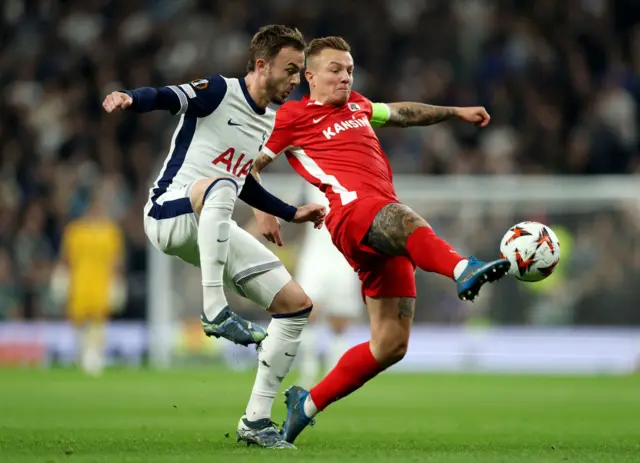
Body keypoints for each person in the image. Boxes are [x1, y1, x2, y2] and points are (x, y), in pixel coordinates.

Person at [251, 36, 511, 444]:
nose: (345, 77)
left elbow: (405, 113)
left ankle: (306, 403)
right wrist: (263, 210)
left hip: (381, 227)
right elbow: (250, 164)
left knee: (390, 344)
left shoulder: (358, 106)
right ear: (310, 76)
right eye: (335, 70)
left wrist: (455, 112)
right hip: (351, 216)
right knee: (399, 214)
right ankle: (464, 268)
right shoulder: (291, 117)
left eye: (350, 70)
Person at [102, 25, 324, 449]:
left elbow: (244, 182)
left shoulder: (269, 119)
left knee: (296, 306)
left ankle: (257, 420)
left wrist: (292, 212)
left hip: (212, 215)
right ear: (262, 65)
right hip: (169, 211)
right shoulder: (220, 91)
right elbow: (169, 96)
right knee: (221, 185)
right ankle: (214, 310)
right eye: (290, 69)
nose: (295, 80)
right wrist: (131, 98)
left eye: (299, 71)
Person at [295, 182, 363, 388]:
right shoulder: (308, 174)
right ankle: (308, 370)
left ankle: (336, 374)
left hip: (343, 253)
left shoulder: (356, 174)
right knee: (307, 311)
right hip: (316, 252)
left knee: (340, 320)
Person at [54, 183, 126, 376]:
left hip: (101, 283)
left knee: (98, 320)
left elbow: (116, 261)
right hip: (79, 283)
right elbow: (66, 259)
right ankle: (82, 353)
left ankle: (93, 356)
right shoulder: (75, 230)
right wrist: (61, 279)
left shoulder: (111, 231)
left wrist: (117, 283)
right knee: (78, 320)